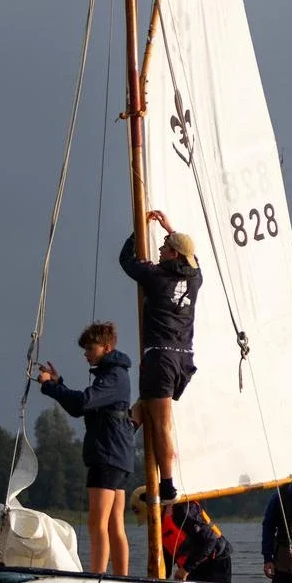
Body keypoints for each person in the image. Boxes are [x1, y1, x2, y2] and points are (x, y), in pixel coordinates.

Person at [38, 321, 134, 576]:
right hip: (118, 455)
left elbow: (83, 403)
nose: (86, 354)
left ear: (107, 346)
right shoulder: (113, 374)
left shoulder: (113, 375)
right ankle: (120, 580)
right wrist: (59, 384)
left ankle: (98, 578)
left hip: (107, 454)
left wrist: (50, 386)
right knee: (114, 524)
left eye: (90, 348)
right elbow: (81, 407)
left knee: (97, 522)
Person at [119, 209, 202, 501]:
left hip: (161, 356)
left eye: (165, 246)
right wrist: (170, 228)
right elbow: (193, 259)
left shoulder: (154, 275)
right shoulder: (196, 279)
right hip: (184, 360)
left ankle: (166, 485)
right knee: (151, 409)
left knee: (162, 422)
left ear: (175, 255)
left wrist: (139, 229)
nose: (160, 248)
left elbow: (125, 260)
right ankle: (126, 426)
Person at [130, 486, 232, 583]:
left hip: (216, 562)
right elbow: (167, 564)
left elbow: (210, 539)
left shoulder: (181, 511)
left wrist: (185, 569)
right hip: (193, 566)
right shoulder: (158, 529)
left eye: (148, 517)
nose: (149, 522)